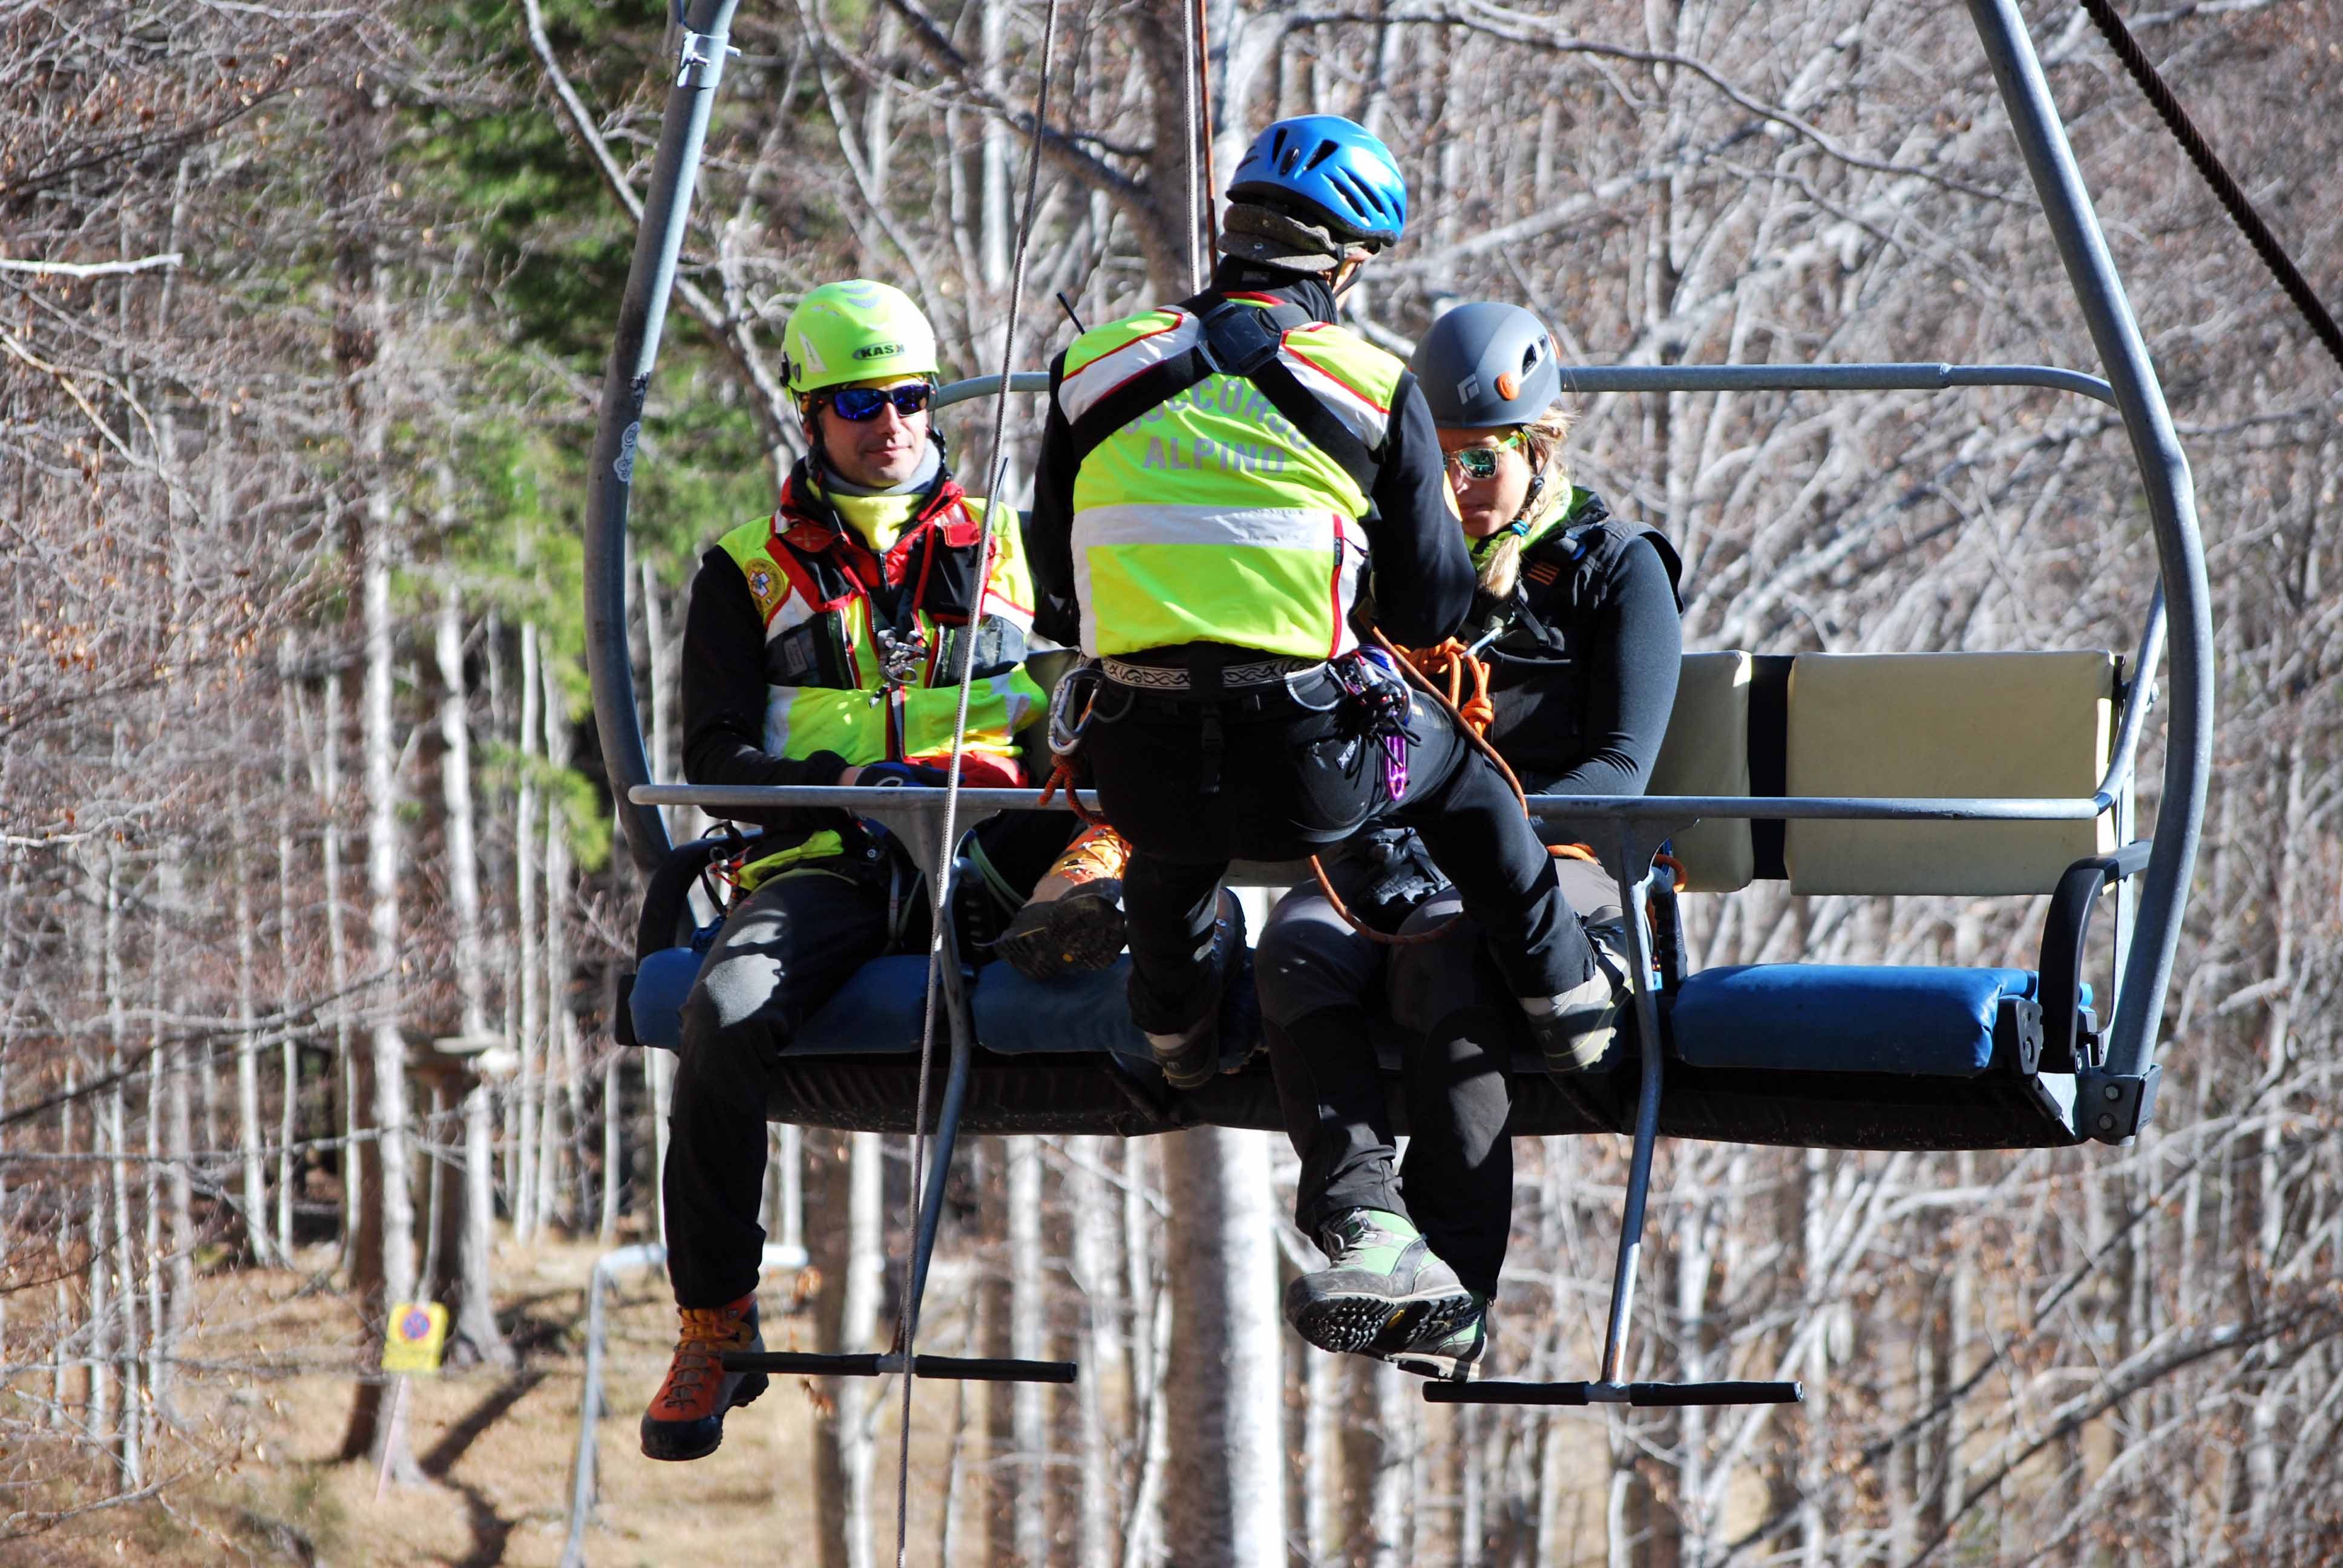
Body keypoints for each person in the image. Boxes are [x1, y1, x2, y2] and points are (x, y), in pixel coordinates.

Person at [1024, 117, 1620, 1156]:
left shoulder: (1089, 369)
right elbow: (1431, 615)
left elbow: (1061, 607)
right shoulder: (1370, 384)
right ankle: (1571, 1010)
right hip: (1314, 779)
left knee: (1169, 826)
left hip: (1141, 768)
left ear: (1235, 233)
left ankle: (1176, 1029)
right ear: (1347, 262)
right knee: (1471, 782)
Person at [641, 278, 1066, 1462]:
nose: (892, 424)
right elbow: (716, 757)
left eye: (913, 399)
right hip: (831, 866)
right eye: (860, 402)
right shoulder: (748, 570)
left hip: (995, 854)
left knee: (1130, 924)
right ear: (810, 416)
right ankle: (717, 1327)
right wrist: (841, 786)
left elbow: (1068, 705)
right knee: (722, 1012)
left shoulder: (1007, 546)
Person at [1260, 302, 1683, 1379]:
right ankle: (1371, 1229)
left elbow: (1618, 777)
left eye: (1482, 461)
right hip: (1399, 861)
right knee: (1301, 938)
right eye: (1433, 461)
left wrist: (1476, 837)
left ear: (1540, 451)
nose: (1453, 489)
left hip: (1566, 872)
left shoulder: (1612, 569)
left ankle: (1456, 1282)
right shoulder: (1390, 574)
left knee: (1454, 949)